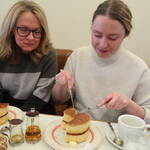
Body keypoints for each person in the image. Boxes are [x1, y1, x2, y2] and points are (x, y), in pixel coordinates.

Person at [52, 0, 150, 123]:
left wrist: (128, 104)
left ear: (125, 35)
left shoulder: (139, 68)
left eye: (112, 38)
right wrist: (61, 84)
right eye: (97, 35)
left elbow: (148, 117)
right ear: (91, 28)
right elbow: (58, 100)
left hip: (115, 133)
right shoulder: (78, 56)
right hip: (80, 127)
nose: (103, 44)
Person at [0, 0, 57, 114]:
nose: (31, 38)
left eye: (36, 31)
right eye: (23, 29)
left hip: (39, 112)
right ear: (11, 29)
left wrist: (18, 119)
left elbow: (41, 97)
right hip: (7, 112)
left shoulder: (48, 54)